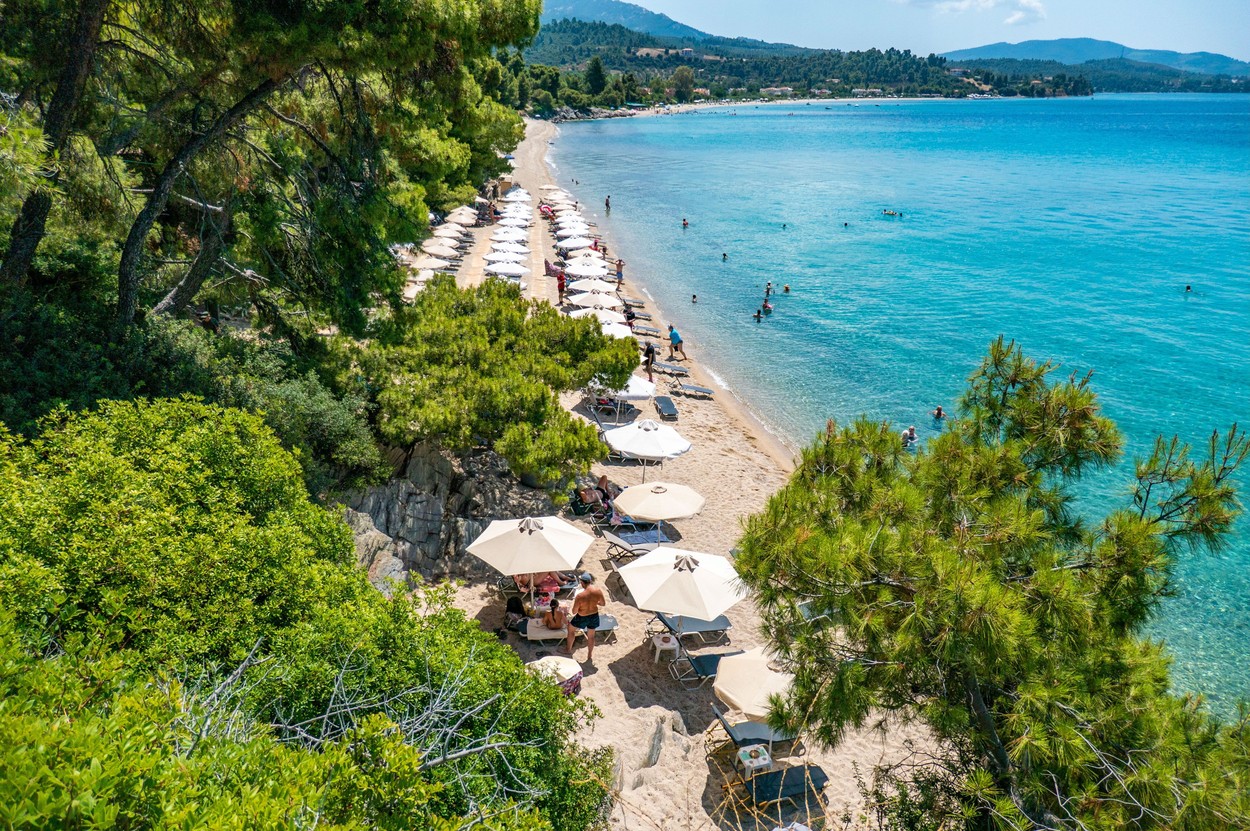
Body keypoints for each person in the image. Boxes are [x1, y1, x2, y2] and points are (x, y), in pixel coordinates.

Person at [564, 573, 606, 661]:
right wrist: (594, 603)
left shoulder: (580, 596)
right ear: (590, 581)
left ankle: (568, 650)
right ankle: (589, 655)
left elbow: (574, 611)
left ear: (582, 583)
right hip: (594, 615)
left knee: (571, 630)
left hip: (582, 616)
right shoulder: (598, 591)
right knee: (591, 636)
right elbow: (603, 603)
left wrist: (580, 607)